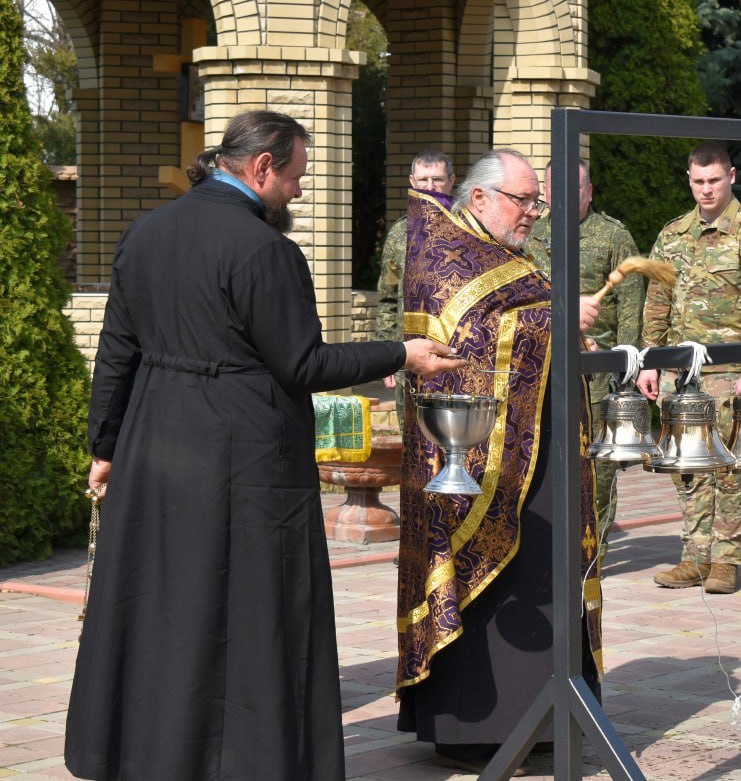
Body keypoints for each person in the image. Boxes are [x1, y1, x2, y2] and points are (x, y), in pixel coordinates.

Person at [64, 110, 464, 781]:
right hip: (240, 456)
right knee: (247, 610)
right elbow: (302, 363)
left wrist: (104, 444)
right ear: (262, 168)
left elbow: (116, 353)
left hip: (153, 443)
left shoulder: (145, 232)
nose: (300, 193)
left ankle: (151, 753)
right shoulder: (265, 251)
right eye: (297, 178)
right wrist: (403, 351)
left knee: (162, 599)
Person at [395, 148, 604, 773]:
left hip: (539, 454)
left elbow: (517, 320)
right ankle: (474, 725)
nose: (533, 214)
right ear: (480, 197)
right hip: (474, 463)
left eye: (537, 202)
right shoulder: (445, 250)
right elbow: (471, 340)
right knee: (483, 584)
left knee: (542, 571)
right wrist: (559, 314)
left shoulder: (504, 251)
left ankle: (540, 717)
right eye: (524, 200)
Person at [637, 142, 741, 595]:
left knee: (731, 467)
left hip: (730, 373)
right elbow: (657, 299)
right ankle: (695, 555)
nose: (706, 189)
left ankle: (726, 559)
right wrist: (651, 360)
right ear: (689, 179)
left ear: (732, 177)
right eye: (698, 181)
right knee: (688, 467)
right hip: (682, 376)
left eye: (714, 180)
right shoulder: (673, 234)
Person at [525, 158, 644, 565]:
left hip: (597, 376)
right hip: (540, 371)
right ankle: (552, 549)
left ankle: (591, 553)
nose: (559, 197)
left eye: (570, 188)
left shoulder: (612, 236)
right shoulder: (532, 233)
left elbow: (631, 305)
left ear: (588, 191)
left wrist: (627, 369)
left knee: (596, 466)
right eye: (551, 189)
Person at [377, 149, 457, 413]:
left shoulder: (468, 229)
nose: (430, 187)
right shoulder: (400, 233)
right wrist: (386, 358)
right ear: (412, 182)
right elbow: (387, 299)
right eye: (423, 180)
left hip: (455, 358)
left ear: (452, 181)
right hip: (409, 361)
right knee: (411, 442)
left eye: (437, 179)